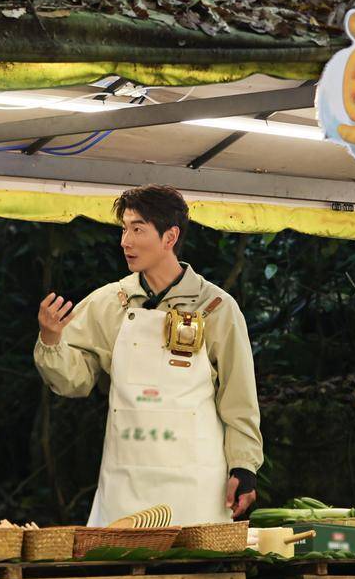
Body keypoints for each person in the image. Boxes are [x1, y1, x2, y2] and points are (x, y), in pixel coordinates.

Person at [34, 184, 263, 527]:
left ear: (170, 237)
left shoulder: (216, 307)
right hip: (125, 481)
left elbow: (239, 397)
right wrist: (51, 339)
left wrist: (243, 467)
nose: (125, 241)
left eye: (138, 229)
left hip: (197, 483)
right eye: (124, 229)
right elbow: (74, 382)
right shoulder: (108, 303)